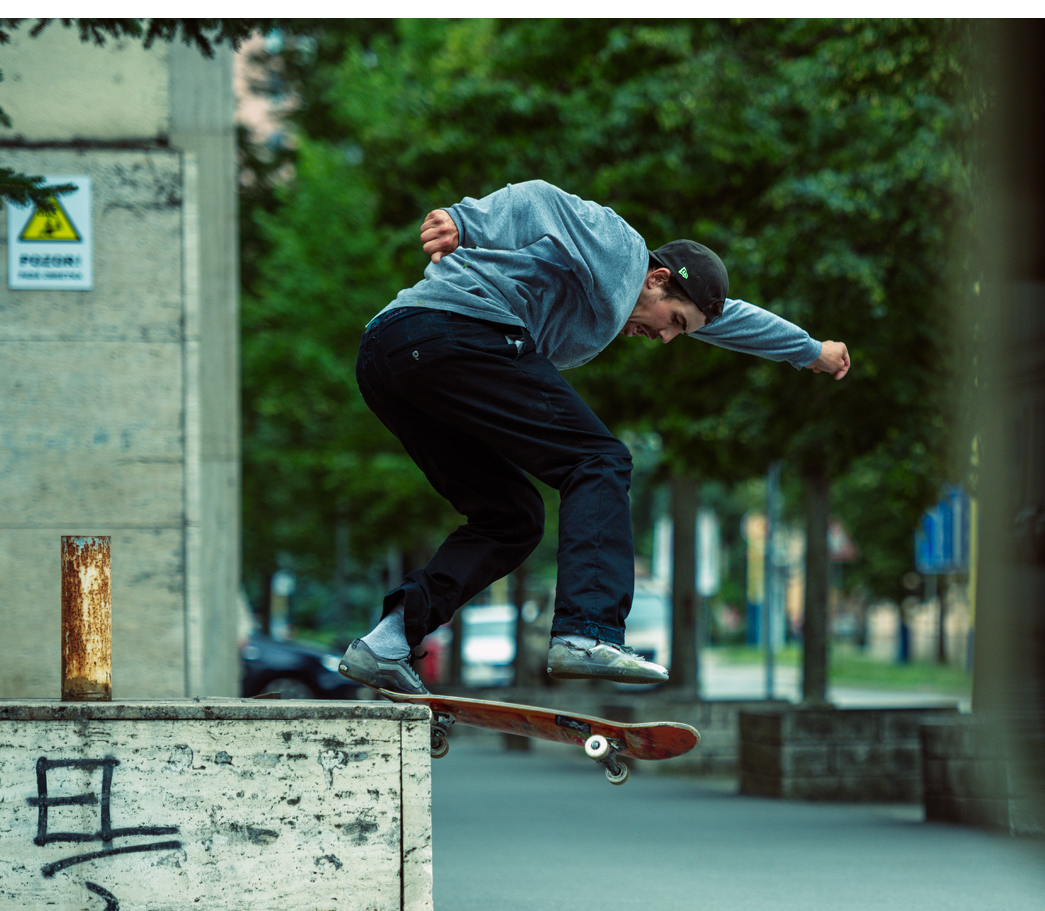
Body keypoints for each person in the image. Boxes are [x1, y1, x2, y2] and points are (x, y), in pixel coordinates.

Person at [336, 179, 850, 695]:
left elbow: (732, 319)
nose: (665, 338)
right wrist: (467, 223)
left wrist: (809, 351)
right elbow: (540, 200)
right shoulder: (621, 249)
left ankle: (387, 642)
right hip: (452, 331)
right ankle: (588, 630)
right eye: (672, 321)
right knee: (599, 462)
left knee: (512, 517)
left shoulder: (645, 292)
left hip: (390, 360)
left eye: (681, 332)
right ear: (658, 278)